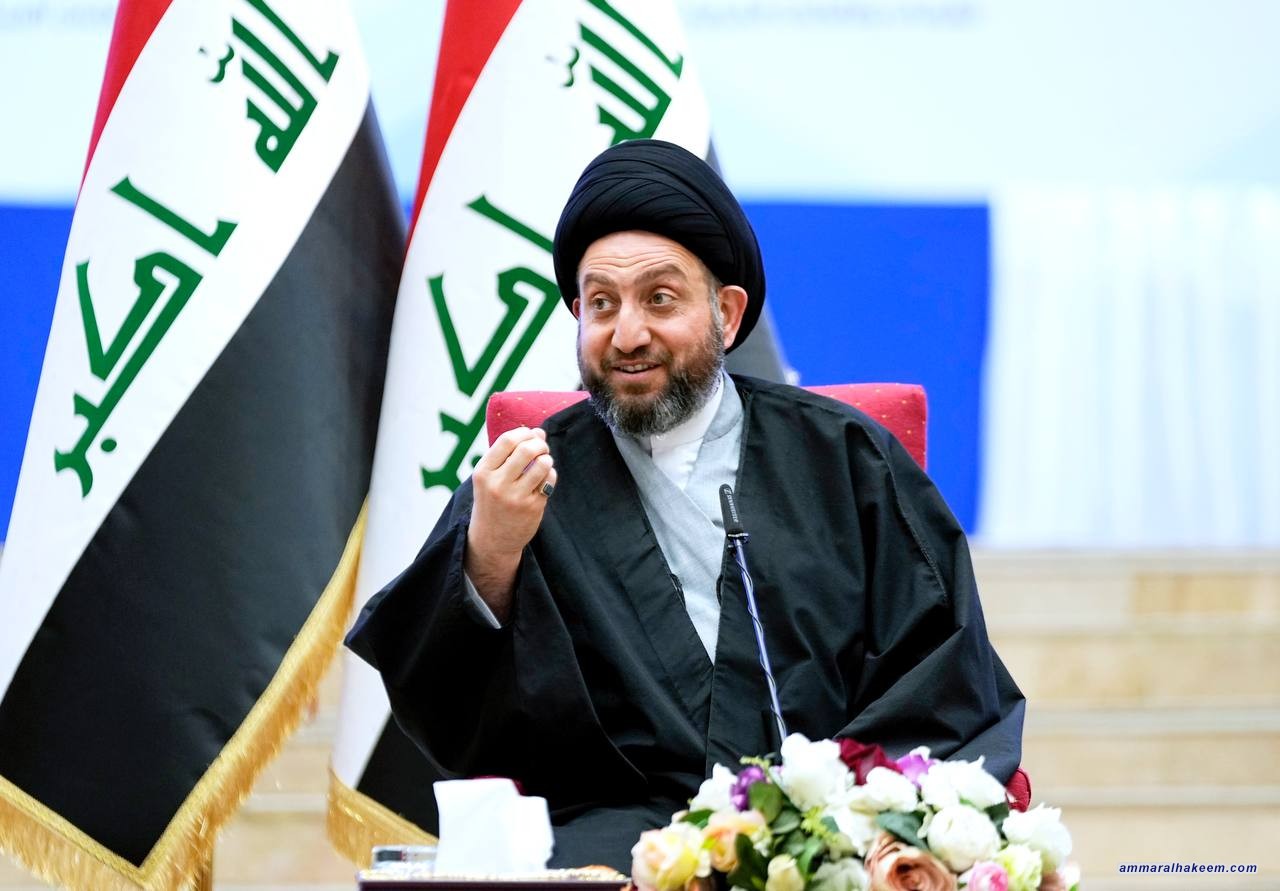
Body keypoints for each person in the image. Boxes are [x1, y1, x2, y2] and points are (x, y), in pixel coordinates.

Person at [346, 139, 1024, 870]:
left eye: (659, 299)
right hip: (614, 845)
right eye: (601, 304)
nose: (627, 334)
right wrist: (491, 555)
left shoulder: (846, 458)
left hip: (820, 835)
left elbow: (943, 675)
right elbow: (457, 718)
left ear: (726, 313)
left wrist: (843, 815)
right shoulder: (526, 477)